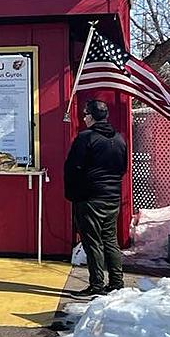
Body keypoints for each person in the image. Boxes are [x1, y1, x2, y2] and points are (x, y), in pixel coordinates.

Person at [64, 99, 128, 298]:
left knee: (92, 241)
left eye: (85, 115)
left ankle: (96, 284)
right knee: (110, 239)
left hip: (90, 197)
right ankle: (117, 282)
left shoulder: (86, 138)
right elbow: (122, 168)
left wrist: (73, 193)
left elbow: (73, 168)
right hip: (112, 196)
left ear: (91, 116)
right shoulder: (119, 139)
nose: (84, 118)